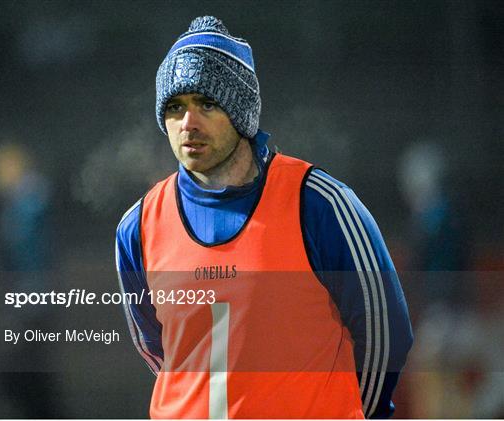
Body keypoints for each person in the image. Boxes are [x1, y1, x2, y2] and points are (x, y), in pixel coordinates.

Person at [115, 16, 413, 419]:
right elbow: (157, 350)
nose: (188, 123)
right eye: (174, 107)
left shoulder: (320, 204)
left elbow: (385, 334)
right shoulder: (138, 226)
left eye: (207, 103)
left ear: (240, 111)